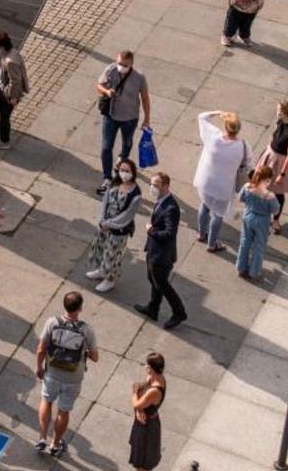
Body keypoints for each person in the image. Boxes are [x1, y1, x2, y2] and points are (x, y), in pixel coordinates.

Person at [34, 290, 99, 458]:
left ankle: (42, 438)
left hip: (52, 372)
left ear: (64, 305)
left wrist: (39, 367)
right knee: (63, 410)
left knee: (46, 401)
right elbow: (95, 357)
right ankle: (55, 444)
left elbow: (41, 349)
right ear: (80, 308)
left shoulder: (52, 323)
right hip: (73, 377)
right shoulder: (86, 330)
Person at [191, 110, 251, 251]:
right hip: (224, 186)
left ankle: (201, 233)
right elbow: (249, 165)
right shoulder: (243, 146)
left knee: (204, 206)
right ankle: (212, 244)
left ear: (225, 126)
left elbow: (202, 117)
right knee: (218, 215)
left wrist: (217, 112)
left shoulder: (213, 136)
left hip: (206, 181)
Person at [85, 160, 142, 294]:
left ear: (133, 173)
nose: (124, 173)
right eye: (122, 170)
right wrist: (102, 220)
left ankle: (110, 279)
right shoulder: (114, 183)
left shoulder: (136, 194)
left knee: (113, 254)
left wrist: (109, 224)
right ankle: (101, 270)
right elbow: (105, 202)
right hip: (105, 224)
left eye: (127, 171)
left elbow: (127, 216)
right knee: (102, 248)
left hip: (119, 229)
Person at [136, 171, 185, 328]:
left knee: (162, 284)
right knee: (153, 280)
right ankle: (153, 308)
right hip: (153, 250)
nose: (152, 188)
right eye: (151, 184)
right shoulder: (160, 200)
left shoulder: (171, 208)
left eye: (156, 185)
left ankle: (179, 313)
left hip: (162, 255)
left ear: (166, 186)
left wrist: (151, 231)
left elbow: (169, 234)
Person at [260, 101, 288, 230]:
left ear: (284, 113)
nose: (276, 112)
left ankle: (275, 220)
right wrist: (268, 149)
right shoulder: (280, 121)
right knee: (263, 186)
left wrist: (282, 174)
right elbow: (273, 134)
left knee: (278, 193)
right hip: (271, 156)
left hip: (281, 162)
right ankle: (264, 214)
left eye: (278, 110)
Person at [234, 165, 279, 280]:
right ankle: (254, 272)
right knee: (259, 247)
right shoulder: (269, 196)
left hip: (248, 215)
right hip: (262, 221)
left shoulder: (247, 187)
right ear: (267, 180)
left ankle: (240, 267)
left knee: (244, 242)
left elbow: (240, 199)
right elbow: (275, 210)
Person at [129, 353, 167, 471]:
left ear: (151, 368)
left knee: (143, 464)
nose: (145, 367)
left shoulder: (154, 391)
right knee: (139, 461)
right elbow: (141, 399)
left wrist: (134, 392)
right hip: (144, 422)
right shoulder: (154, 378)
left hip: (147, 427)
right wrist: (138, 411)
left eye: (147, 365)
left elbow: (136, 403)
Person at [0, 32, 28, 147]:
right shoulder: (11, 53)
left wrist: (12, 97)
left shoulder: (10, 61)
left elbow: (15, 81)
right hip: (2, 87)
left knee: (4, 116)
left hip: (7, 94)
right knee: (0, 112)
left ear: (2, 47)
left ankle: (4, 140)